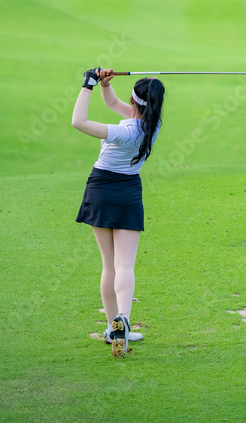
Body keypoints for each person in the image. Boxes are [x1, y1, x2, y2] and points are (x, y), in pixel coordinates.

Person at [71, 67, 165, 358]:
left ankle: (113, 328)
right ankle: (122, 319)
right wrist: (105, 87)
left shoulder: (123, 131)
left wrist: (88, 84)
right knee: (125, 265)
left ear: (134, 100)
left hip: (101, 190)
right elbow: (114, 105)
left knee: (109, 265)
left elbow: (78, 121)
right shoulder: (153, 125)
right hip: (128, 193)